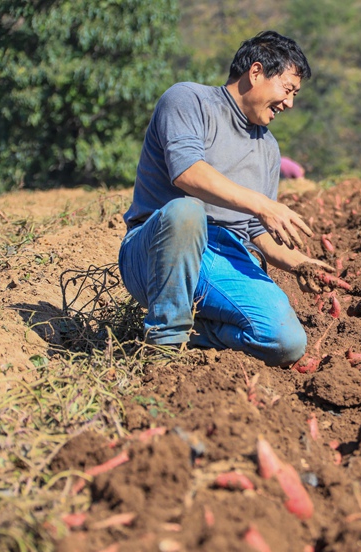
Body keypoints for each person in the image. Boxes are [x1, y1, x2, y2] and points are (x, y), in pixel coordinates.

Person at [118, 31, 338, 366]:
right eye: (287, 89)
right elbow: (187, 173)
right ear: (255, 72)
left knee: (287, 341)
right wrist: (262, 204)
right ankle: (162, 346)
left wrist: (301, 265)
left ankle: (192, 332)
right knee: (185, 212)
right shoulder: (188, 100)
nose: (289, 103)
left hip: (223, 255)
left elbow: (255, 231)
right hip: (155, 251)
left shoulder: (268, 148)